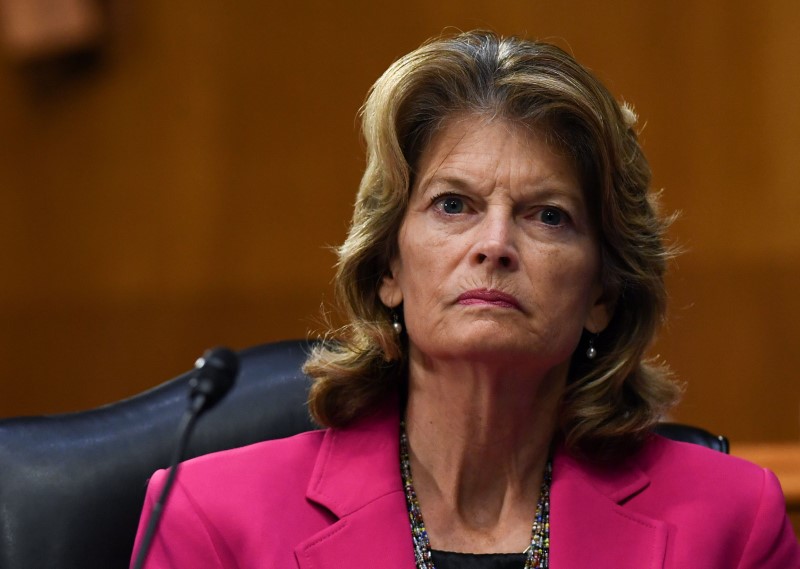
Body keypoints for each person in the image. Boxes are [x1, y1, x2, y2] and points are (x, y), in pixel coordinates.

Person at [131, 30, 800, 568]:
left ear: (602, 291)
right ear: (388, 265)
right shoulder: (213, 517)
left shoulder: (730, 523)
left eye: (548, 215)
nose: (496, 243)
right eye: (454, 205)